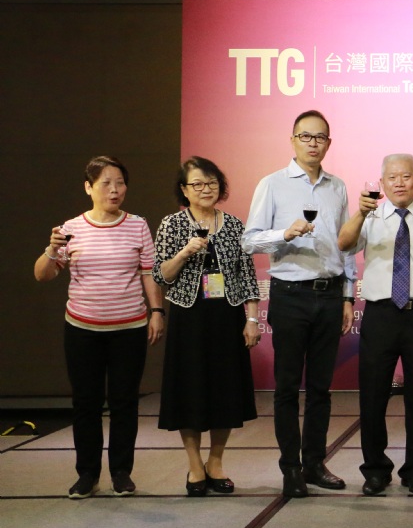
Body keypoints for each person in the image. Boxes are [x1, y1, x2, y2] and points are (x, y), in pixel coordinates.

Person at [33, 156, 164, 498]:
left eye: (120, 183)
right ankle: (87, 473)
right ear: (88, 188)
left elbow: (148, 272)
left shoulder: (138, 225)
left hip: (129, 327)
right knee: (86, 403)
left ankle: (121, 472)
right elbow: (43, 275)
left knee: (124, 403)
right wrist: (52, 249)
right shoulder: (70, 228)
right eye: (106, 183)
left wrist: (156, 311)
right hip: (82, 329)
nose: (115, 190)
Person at [243, 110, 356, 498]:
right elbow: (249, 240)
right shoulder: (272, 184)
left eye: (320, 137)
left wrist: (348, 295)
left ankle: (314, 464)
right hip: (290, 294)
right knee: (288, 388)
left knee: (322, 388)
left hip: (330, 294)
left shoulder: (338, 187)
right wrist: (284, 234)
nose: (313, 143)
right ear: (292, 140)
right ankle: (290, 467)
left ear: (328, 143)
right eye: (305, 136)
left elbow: (346, 245)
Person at [338, 154, 413, 497]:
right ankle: (375, 471)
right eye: (392, 177)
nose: (399, 183)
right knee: (373, 398)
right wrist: (361, 213)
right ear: (382, 183)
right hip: (381, 315)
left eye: (406, 176)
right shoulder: (369, 217)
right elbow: (343, 244)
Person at [153, 156, 260, 496]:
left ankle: (216, 462)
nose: (205, 189)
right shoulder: (172, 224)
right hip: (189, 316)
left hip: (226, 316)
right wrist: (185, 252)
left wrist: (252, 318)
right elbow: (161, 275)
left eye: (212, 183)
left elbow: (248, 276)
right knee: (190, 391)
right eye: (197, 184)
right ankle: (195, 465)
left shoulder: (234, 225)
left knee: (224, 391)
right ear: (184, 190)